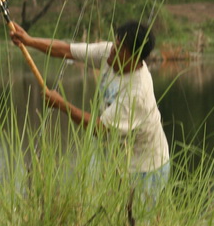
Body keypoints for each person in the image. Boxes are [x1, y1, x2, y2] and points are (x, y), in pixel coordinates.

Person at [9, 20, 170, 198]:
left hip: (148, 168)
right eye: (115, 44)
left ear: (134, 57)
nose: (112, 50)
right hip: (121, 162)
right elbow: (65, 50)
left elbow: (100, 129)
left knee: (137, 223)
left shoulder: (138, 93)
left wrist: (61, 105)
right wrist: (29, 41)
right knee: (116, 216)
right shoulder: (108, 53)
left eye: (120, 49)